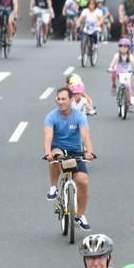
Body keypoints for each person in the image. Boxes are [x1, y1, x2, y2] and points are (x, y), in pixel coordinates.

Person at [43, 87, 96, 230]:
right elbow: (48, 137)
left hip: (75, 151)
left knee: (83, 181)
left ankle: (80, 215)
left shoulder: (79, 116)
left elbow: (85, 136)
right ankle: (54, 187)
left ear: (71, 100)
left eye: (63, 99)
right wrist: (48, 152)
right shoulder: (51, 117)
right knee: (55, 157)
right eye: (58, 99)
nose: (60, 102)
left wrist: (90, 152)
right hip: (58, 147)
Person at [107, 38, 134, 109]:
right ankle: (114, 85)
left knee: (128, 87)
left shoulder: (130, 56)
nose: (123, 48)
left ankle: (128, 102)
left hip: (126, 72)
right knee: (113, 74)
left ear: (128, 48)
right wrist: (110, 67)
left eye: (125, 46)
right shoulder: (117, 55)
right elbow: (113, 62)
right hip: (118, 71)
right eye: (121, 46)